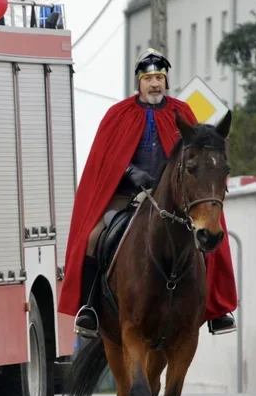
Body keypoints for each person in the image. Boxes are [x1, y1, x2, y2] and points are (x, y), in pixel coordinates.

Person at [58, 48, 238, 340]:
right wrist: (131, 173)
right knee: (93, 239)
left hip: (172, 200)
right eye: (148, 78)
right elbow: (106, 157)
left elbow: (196, 158)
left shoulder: (182, 114)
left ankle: (215, 310)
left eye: (159, 77)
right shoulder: (118, 115)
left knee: (207, 239)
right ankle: (90, 308)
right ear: (138, 82)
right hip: (127, 197)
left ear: (166, 81)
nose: (154, 84)